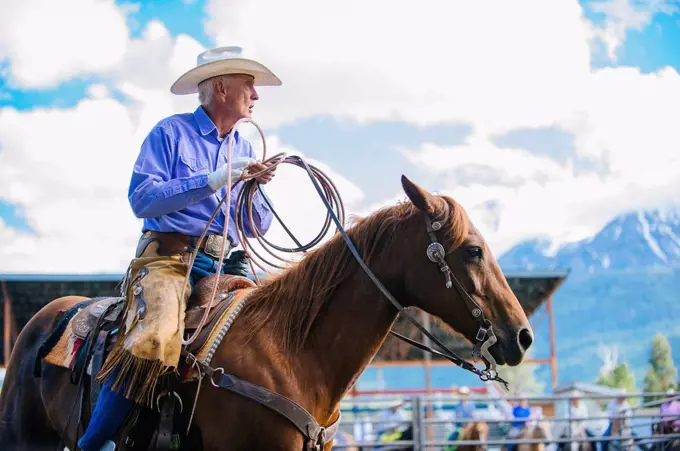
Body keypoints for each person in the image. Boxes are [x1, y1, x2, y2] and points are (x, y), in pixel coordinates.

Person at [76, 46, 282, 451]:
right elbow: (143, 200)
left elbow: (258, 226)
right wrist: (212, 179)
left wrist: (254, 189)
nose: (256, 97)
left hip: (227, 262)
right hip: (169, 259)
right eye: (250, 86)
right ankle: (93, 443)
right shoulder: (169, 133)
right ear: (221, 88)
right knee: (154, 338)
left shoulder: (243, 148)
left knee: (276, 328)